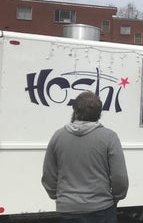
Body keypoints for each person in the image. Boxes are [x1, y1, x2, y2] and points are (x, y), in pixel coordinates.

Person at [41, 91, 129, 223]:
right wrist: (117, 197)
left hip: (68, 209)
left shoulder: (58, 136)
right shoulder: (109, 137)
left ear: (75, 110)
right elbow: (120, 177)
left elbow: (48, 175)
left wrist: (58, 196)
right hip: (101, 208)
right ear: (100, 113)